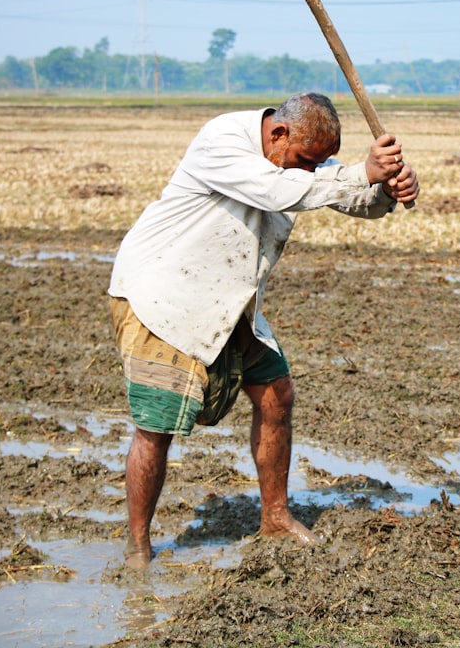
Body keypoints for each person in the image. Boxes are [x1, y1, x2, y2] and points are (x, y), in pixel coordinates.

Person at [108, 92, 419, 569]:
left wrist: (386, 191)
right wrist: (362, 172)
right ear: (279, 135)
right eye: (305, 161)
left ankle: (274, 517)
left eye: (319, 164)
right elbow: (278, 191)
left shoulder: (295, 167)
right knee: (156, 426)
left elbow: (343, 194)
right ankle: (138, 547)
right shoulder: (222, 141)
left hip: (230, 298)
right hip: (164, 297)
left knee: (277, 394)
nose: (310, 172)